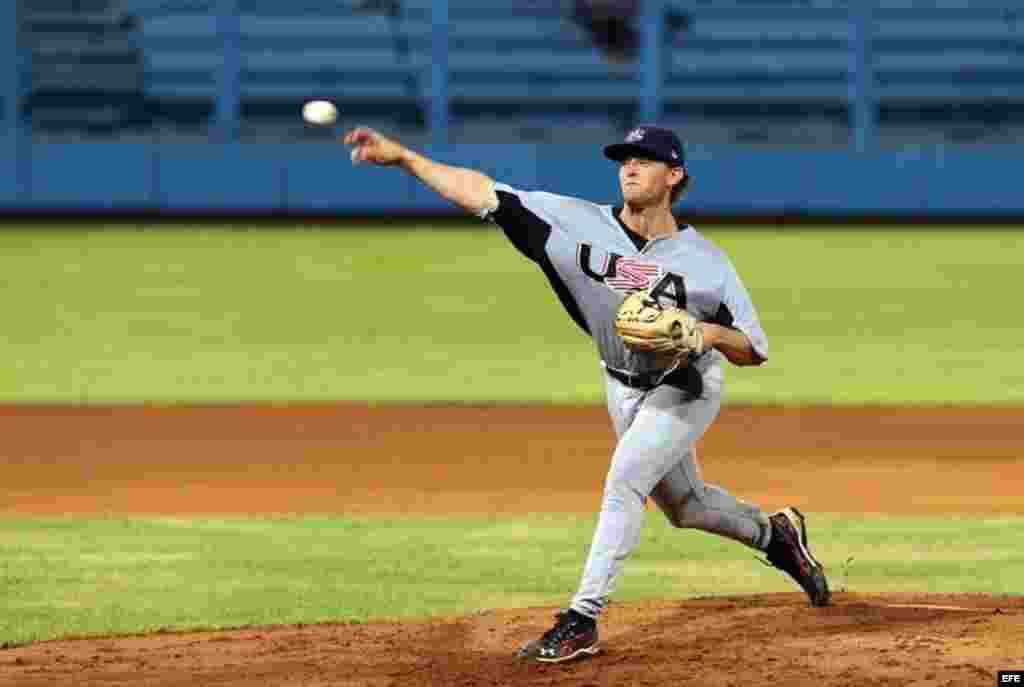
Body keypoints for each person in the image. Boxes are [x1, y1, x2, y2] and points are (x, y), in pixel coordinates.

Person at [342, 124, 831, 663]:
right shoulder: (570, 223)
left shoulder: (707, 262)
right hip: (620, 384)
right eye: (624, 159)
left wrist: (706, 333)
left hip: (684, 386)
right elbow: (481, 192)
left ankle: (582, 619)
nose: (630, 167)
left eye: (644, 159)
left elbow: (753, 348)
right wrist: (405, 158)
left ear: (674, 175)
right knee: (686, 507)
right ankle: (775, 536)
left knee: (625, 480)